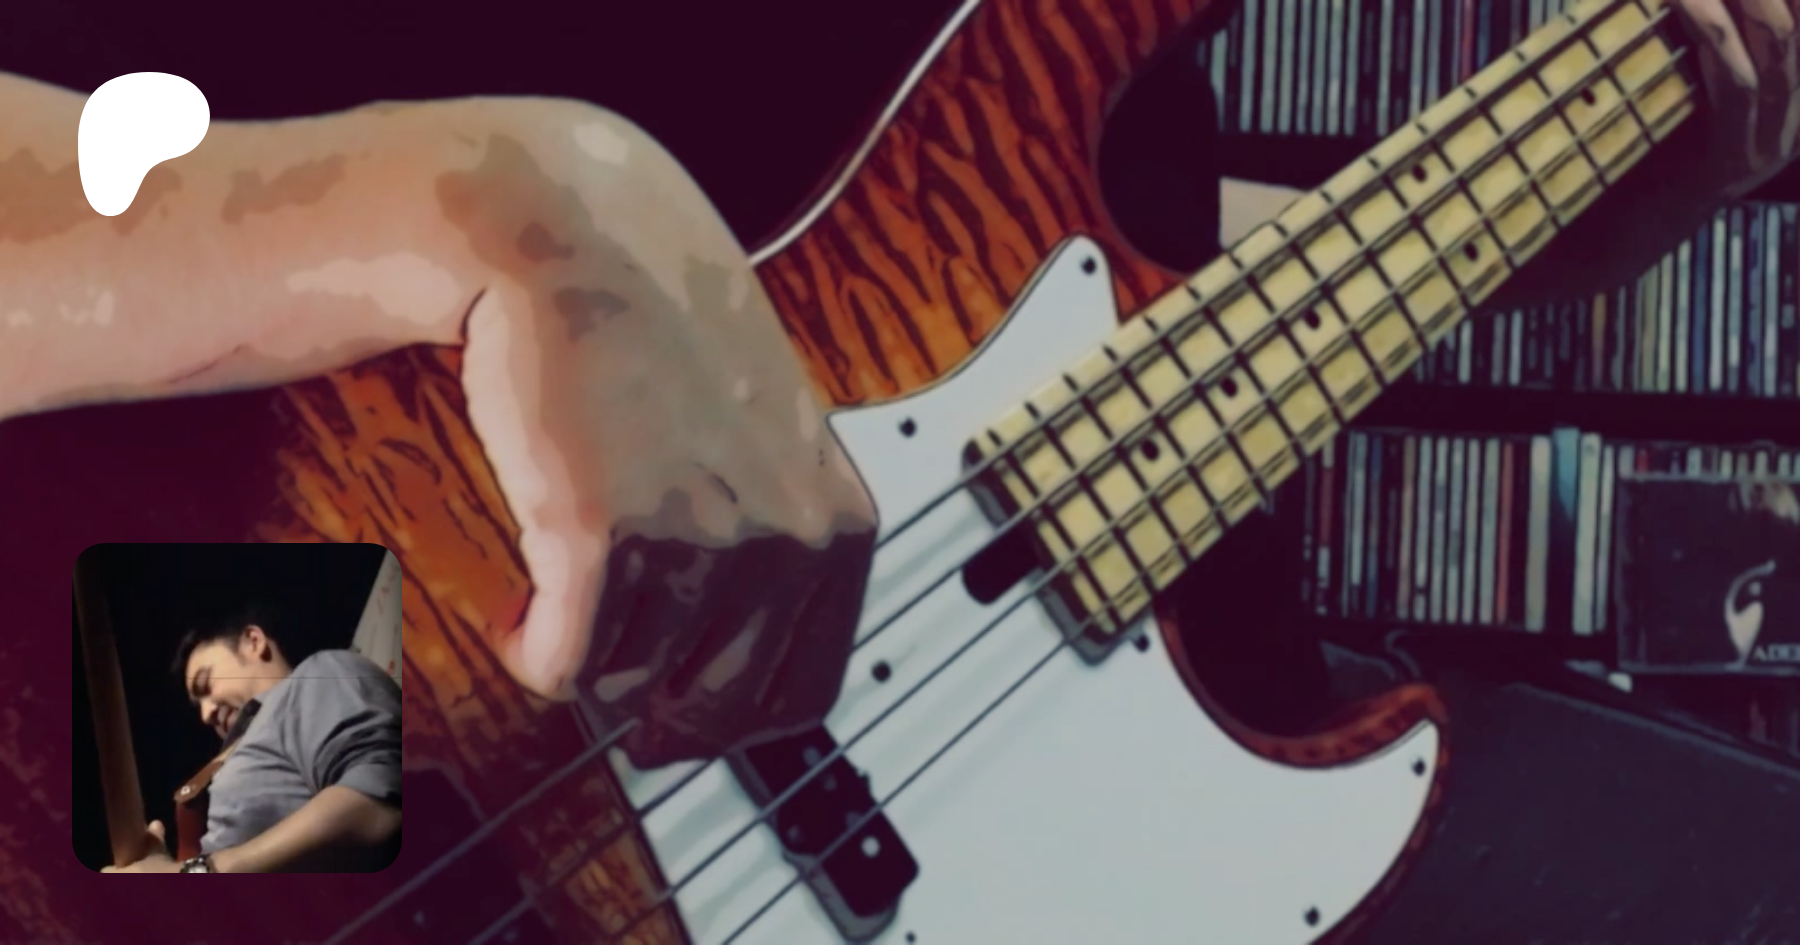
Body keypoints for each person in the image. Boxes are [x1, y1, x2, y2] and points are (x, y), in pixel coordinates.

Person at [6, 0, 1794, 926]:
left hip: (1057, 765)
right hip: (322, 631)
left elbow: (1062, 237)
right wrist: (501, 206)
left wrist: (1514, 225)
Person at [100, 606, 402, 873]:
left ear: (253, 641)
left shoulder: (316, 676)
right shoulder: (227, 758)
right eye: (197, 705)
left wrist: (197, 874)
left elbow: (380, 806)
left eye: (206, 684)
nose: (205, 714)